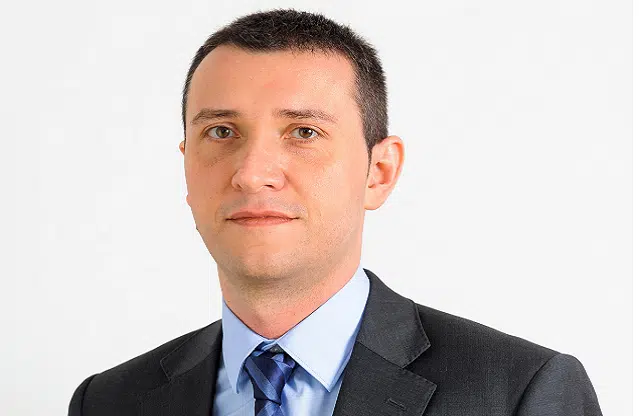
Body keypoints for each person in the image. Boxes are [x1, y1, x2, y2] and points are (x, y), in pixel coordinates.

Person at [68, 9, 603, 416]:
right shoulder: (109, 401)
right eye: (221, 131)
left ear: (379, 172)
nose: (252, 173)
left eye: (304, 132)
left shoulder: (519, 393)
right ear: (187, 166)